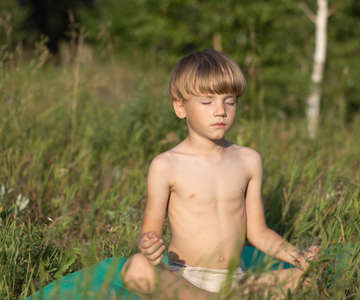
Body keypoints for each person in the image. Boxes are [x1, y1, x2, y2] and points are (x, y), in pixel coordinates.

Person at [121, 49, 319, 299]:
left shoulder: (248, 160)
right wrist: (148, 246)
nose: (220, 111)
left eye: (230, 101)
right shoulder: (166, 165)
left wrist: (298, 257)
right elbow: (149, 233)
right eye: (207, 102)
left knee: (311, 276)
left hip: (234, 281)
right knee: (135, 268)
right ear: (180, 108)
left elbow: (258, 232)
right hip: (184, 278)